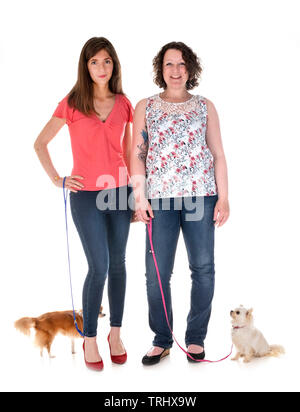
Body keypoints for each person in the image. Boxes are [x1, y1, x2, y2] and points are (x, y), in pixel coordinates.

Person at [34, 37, 135, 371]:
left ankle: (115, 335)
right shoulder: (72, 102)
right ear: (85, 66)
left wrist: (137, 195)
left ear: (114, 65)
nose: (101, 68)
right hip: (86, 195)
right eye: (94, 62)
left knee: (118, 263)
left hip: (120, 191)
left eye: (107, 61)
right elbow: (40, 144)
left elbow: (133, 153)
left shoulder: (124, 104)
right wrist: (57, 179)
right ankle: (90, 337)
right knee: (99, 266)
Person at [131, 42, 229, 365]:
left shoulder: (205, 107)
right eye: (169, 64)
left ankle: (195, 338)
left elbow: (217, 155)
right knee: (156, 272)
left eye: (182, 64)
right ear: (161, 69)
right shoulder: (146, 106)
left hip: (201, 196)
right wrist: (139, 196)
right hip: (159, 199)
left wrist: (224, 197)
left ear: (191, 69)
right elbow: (138, 155)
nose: (176, 71)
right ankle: (162, 339)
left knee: (203, 268)